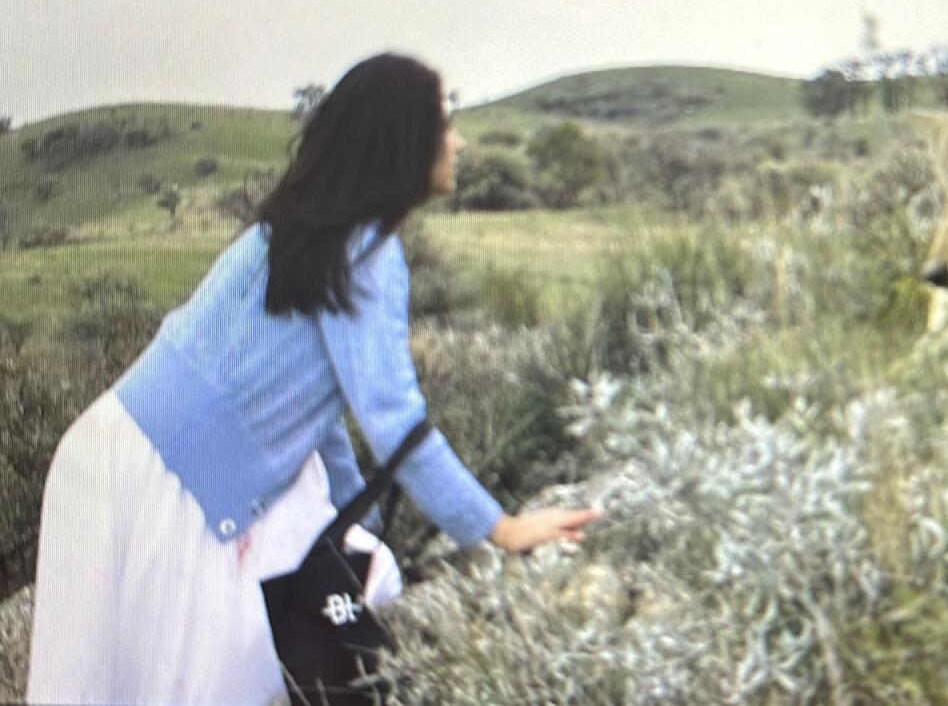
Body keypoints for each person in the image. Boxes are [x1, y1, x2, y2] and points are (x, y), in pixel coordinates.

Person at [25, 52, 601, 705]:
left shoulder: (291, 231)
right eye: (444, 123)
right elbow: (393, 418)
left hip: (107, 455)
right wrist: (499, 528)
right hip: (177, 484)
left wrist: (360, 531)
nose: (458, 141)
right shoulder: (367, 252)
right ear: (402, 137)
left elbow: (319, 413)